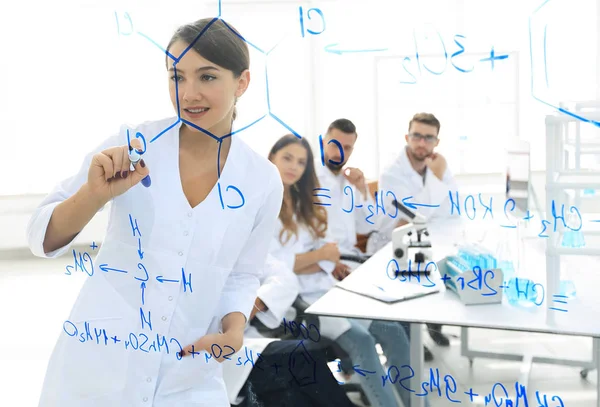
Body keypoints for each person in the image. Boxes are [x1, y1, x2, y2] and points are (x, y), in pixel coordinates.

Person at [26, 18, 283, 407]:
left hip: (188, 373)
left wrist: (234, 329)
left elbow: (243, 274)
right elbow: (39, 236)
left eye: (207, 77)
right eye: (176, 76)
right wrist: (93, 196)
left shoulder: (262, 180)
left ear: (242, 83)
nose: (188, 93)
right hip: (99, 366)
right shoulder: (135, 144)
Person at [267, 134, 414, 407]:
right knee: (363, 342)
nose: (293, 166)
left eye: (300, 162)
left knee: (393, 332)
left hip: (329, 291)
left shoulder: (304, 205)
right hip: (301, 305)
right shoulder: (262, 208)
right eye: (287, 158)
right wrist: (318, 257)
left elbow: (327, 253)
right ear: (271, 158)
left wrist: (315, 258)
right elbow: (272, 266)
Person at [368, 112, 459, 352]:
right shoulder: (393, 172)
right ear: (406, 136)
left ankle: (432, 324)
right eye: (416, 136)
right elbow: (417, 213)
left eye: (428, 138)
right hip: (391, 246)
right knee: (418, 270)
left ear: (436, 142)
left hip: (427, 238)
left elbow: (451, 208)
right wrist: (437, 178)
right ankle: (413, 341)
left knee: (449, 262)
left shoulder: (437, 164)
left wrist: (435, 182)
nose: (422, 143)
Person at [223, 254, 356, 407]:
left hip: (246, 341)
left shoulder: (236, 251)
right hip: (217, 355)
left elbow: (285, 276)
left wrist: (255, 305)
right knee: (302, 358)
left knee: (294, 393)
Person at [315, 118, 375, 275]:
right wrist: (328, 262)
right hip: (326, 264)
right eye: (335, 145)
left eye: (347, 148)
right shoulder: (308, 178)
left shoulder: (350, 180)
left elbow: (367, 226)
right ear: (323, 143)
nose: (340, 153)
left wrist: (363, 189)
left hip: (352, 257)